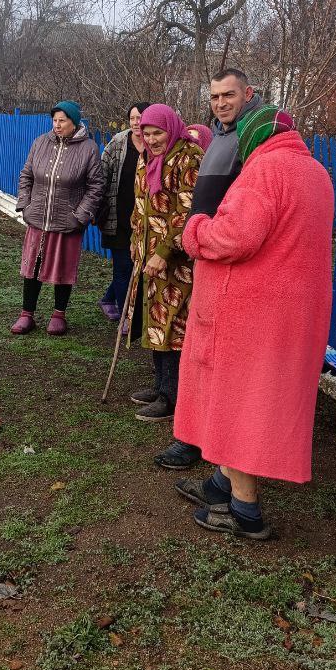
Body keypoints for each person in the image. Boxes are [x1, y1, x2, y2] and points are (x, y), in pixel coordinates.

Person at [172, 106, 334, 539]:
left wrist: (195, 229)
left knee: (241, 405)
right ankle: (220, 483)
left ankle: (244, 511)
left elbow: (234, 236)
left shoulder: (265, 171)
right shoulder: (315, 172)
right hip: (290, 312)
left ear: (253, 138)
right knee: (257, 400)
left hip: (252, 315)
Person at [153, 68, 262, 469]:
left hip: (231, 260)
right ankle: (196, 436)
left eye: (229, 95)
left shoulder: (252, 138)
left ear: (248, 93)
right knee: (200, 355)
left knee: (216, 359)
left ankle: (212, 445)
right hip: (207, 257)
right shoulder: (220, 135)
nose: (221, 103)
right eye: (215, 96)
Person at [125, 104, 203, 422]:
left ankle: (172, 397)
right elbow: (140, 207)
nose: (153, 138)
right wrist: (135, 242)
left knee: (172, 323)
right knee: (154, 320)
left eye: (159, 132)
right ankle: (160, 386)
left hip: (175, 261)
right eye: (147, 132)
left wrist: (164, 253)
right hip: (149, 256)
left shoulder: (189, 157)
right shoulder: (150, 159)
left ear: (171, 129)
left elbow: (187, 212)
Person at [11, 101, 104, 336]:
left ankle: (58, 315)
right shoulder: (41, 142)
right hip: (38, 217)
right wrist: (25, 205)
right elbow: (26, 175)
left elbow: (96, 186)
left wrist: (79, 216)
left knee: (63, 267)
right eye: (54, 120)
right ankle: (26, 314)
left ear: (74, 122)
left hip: (68, 220)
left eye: (62, 121)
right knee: (33, 265)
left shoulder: (88, 148)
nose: (57, 125)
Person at [97, 103, 149, 322]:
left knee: (138, 265)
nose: (136, 123)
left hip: (144, 217)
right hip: (117, 216)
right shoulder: (118, 142)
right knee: (123, 267)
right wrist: (97, 206)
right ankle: (126, 316)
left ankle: (108, 299)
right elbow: (101, 174)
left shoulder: (155, 142)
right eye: (132, 118)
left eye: (140, 118)